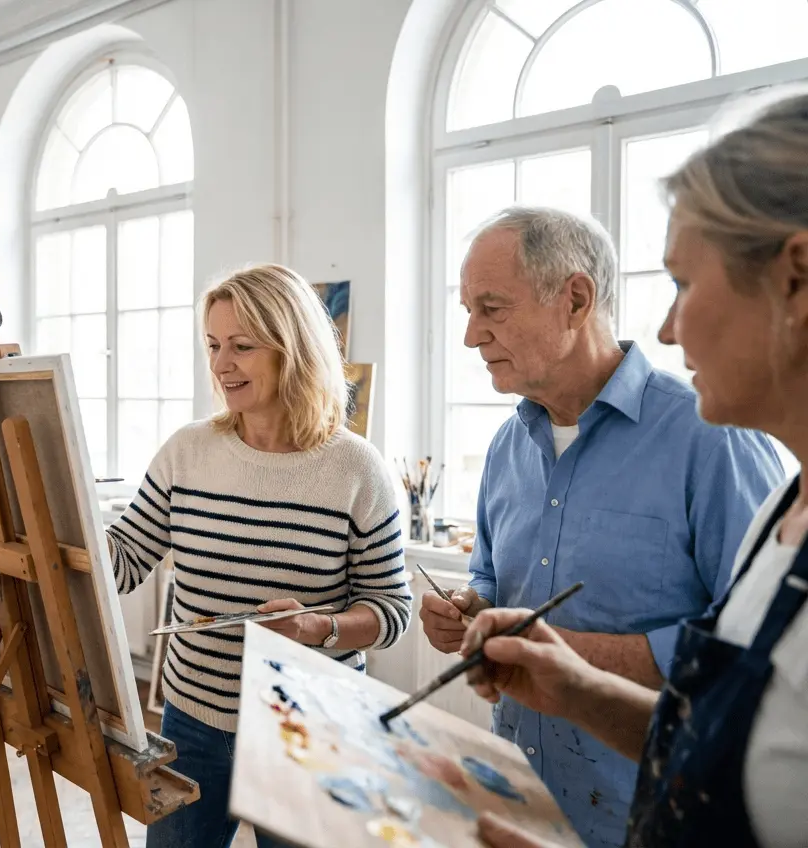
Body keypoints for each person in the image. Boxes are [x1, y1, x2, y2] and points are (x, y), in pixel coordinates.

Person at [462, 90, 808, 848]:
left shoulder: (712, 443)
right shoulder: (789, 507)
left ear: (796, 277)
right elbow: (720, 739)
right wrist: (578, 686)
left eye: (684, 283)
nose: (666, 325)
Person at [108, 263, 413, 848]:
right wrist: (55, 518)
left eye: (242, 347)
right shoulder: (187, 452)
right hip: (192, 724)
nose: (222, 364)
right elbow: (122, 562)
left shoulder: (356, 469)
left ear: (293, 350)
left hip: (308, 732)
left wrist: (320, 626)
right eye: (214, 345)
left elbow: (392, 610)